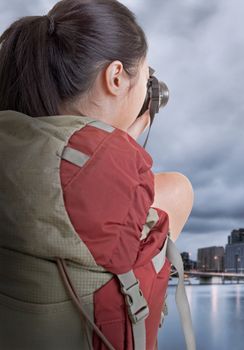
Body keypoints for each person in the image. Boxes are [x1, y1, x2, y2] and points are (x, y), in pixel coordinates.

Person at [0, 0, 194, 349]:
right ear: (115, 77)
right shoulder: (163, 195)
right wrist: (113, 151)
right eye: (146, 77)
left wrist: (103, 150)